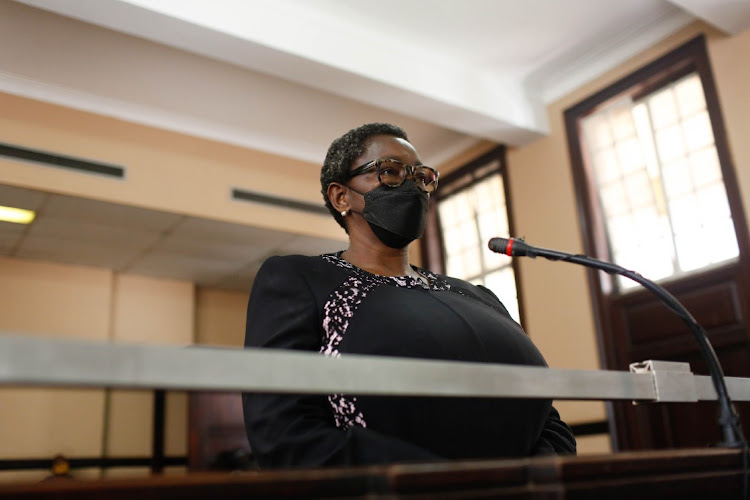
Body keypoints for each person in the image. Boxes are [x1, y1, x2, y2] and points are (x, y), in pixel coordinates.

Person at [242, 123, 576, 468]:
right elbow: (283, 432)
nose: (412, 186)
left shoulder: (478, 295)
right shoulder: (303, 278)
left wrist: (539, 475)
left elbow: (547, 416)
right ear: (341, 196)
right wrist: (445, 481)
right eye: (389, 172)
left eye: (420, 177)